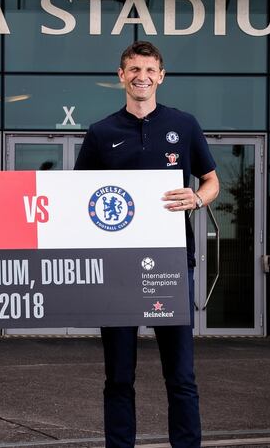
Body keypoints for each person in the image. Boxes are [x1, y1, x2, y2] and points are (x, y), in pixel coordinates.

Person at [74, 41, 220, 448]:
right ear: (121, 76)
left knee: (181, 374)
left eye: (149, 69)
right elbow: (75, 196)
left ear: (161, 76)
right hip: (118, 270)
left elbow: (211, 181)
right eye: (133, 69)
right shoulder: (101, 133)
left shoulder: (184, 125)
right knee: (119, 375)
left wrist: (197, 198)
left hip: (172, 265)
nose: (142, 76)